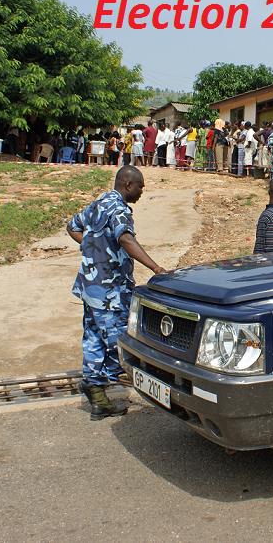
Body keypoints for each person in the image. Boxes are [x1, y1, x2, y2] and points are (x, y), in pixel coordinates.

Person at [67, 165, 166, 420]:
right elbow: (125, 239)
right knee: (120, 342)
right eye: (141, 187)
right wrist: (155, 266)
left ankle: (97, 395)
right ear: (129, 185)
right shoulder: (119, 209)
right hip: (110, 290)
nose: (142, 192)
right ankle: (112, 385)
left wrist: (95, 249)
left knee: (93, 337)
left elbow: (72, 226)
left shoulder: (98, 203)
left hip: (90, 287)